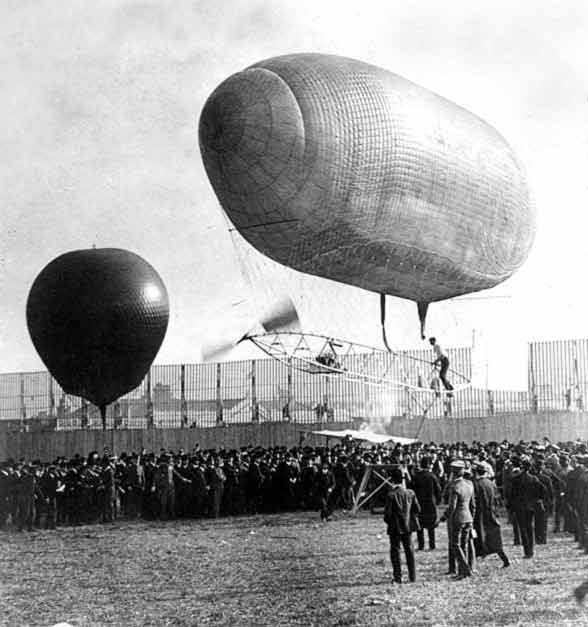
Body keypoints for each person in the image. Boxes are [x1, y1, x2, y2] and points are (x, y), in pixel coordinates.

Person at [383, 467, 421, 584]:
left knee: (395, 552)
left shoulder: (391, 495)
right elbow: (417, 509)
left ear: (392, 480)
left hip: (395, 527)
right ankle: (412, 576)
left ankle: (398, 577)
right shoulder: (410, 493)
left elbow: (387, 515)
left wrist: (389, 522)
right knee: (409, 550)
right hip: (408, 526)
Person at [472, 463, 510, 568]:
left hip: (479, 514)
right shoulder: (491, 483)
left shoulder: (475, 484)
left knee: (476, 537)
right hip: (491, 513)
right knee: (494, 538)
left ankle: (472, 562)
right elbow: (497, 499)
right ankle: (505, 560)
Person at [445, 460, 475, 579]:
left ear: (453, 472)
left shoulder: (454, 486)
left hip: (458, 518)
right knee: (464, 544)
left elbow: (452, 506)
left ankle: (465, 570)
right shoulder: (469, 484)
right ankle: (463, 571)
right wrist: (472, 517)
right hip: (468, 517)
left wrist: (445, 517)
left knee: (455, 545)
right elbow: (473, 504)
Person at [412, 455, 441, 550]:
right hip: (431, 504)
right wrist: (438, 501)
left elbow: (412, 490)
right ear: (429, 465)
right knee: (431, 526)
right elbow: (438, 490)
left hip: (419, 503)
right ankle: (432, 545)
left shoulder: (416, 476)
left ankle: (421, 545)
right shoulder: (433, 476)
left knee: (420, 526)